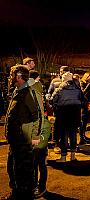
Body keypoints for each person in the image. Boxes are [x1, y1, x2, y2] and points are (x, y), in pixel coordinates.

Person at [5, 65, 40, 199]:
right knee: (13, 167)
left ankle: (23, 194)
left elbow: (36, 116)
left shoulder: (27, 93)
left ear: (18, 76)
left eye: (11, 75)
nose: (10, 78)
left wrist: (33, 137)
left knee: (21, 169)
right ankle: (17, 192)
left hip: (22, 140)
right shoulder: (17, 91)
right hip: (15, 139)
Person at [50, 72, 83, 162]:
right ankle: (73, 156)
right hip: (75, 114)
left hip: (62, 114)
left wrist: (56, 107)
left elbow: (52, 100)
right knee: (73, 135)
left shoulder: (59, 89)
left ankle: (63, 157)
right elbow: (82, 100)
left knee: (63, 136)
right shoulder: (78, 89)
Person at [33, 117, 51, 198]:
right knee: (34, 168)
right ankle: (34, 186)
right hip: (33, 149)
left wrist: (32, 141)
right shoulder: (32, 121)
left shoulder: (44, 122)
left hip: (41, 149)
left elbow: (44, 136)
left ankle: (42, 187)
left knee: (42, 167)